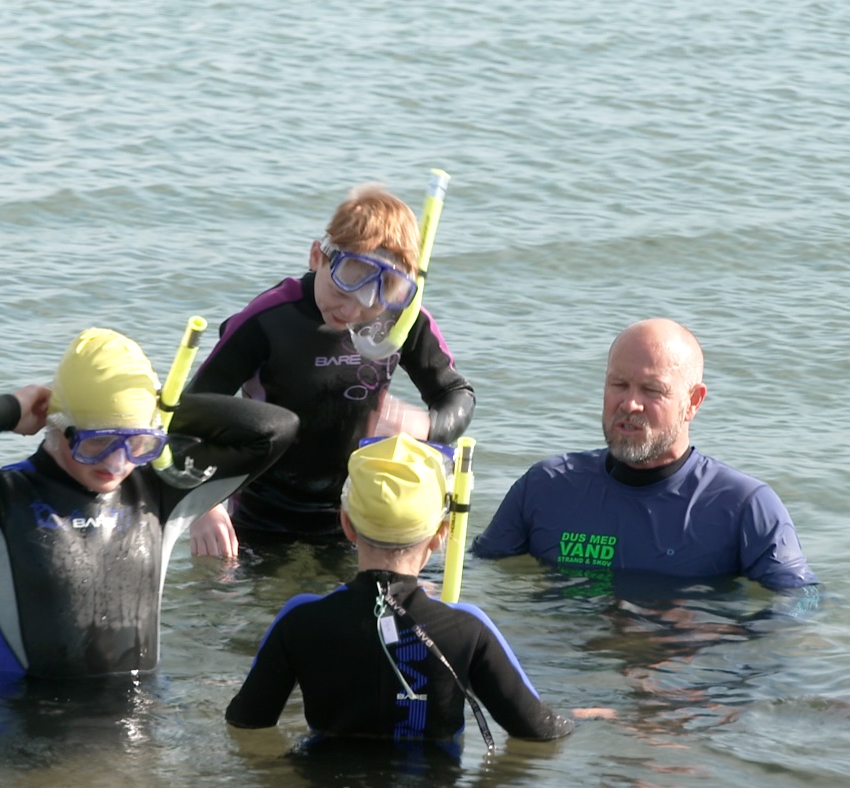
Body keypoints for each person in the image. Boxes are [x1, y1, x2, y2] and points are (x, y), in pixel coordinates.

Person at [0, 327, 298, 684]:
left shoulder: (160, 495)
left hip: (141, 718)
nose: (116, 463)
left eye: (136, 444)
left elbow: (274, 429)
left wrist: (161, 412)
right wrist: (12, 408)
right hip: (28, 727)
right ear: (58, 423)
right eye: (96, 442)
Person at [226, 435, 581, 747]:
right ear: (442, 533)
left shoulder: (299, 620)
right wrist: (590, 719)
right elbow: (539, 730)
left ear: (346, 524)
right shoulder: (467, 629)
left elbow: (246, 721)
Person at [186, 183, 475, 558]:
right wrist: (204, 505)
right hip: (260, 516)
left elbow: (457, 396)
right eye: (341, 292)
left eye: (369, 306)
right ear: (316, 257)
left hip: (359, 517)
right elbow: (190, 413)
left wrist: (427, 426)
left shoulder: (403, 321)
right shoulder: (269, 320)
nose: (350, 313)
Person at [471, 318, 816, 591]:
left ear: (693, 402)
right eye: (618, 384)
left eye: (652, 390)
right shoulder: (546, 487)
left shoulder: (743, 506)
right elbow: (473, 574)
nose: (629, 403)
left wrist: (730, 635)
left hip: (682, 667)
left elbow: (802, 604)